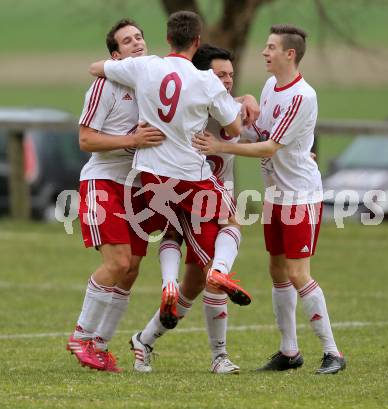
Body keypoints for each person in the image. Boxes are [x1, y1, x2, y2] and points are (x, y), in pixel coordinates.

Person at [193, 24, 346, 374]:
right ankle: (289, 351)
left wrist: (221, 146)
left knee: (297, 273)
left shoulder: (302, 96)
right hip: (276, 197)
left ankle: (332, 352)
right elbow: (260, 132)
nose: (265, 52)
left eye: (271, 47)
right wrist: (242, 105)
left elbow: (269, 146)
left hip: (300, 197)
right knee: (277, 271)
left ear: (289, 54)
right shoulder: (269, 87)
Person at [89, 12, 257, 317]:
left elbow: (96, 67)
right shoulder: (205, 79)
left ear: (167, 38)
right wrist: (240, 102)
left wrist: (115, 68)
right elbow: (233, 130)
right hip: (189, 175)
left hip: (151, 177)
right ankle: (219, 270)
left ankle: (169, 282)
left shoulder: (146, 66)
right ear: (197, 41)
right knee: (231, 220)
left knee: (172, 229)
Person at [66, 18, 182, 372]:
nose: (137, 43)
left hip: (137, 188)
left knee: (130, 269)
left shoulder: (152, 83)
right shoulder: (105, 85)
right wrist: (132, 140)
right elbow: (86, 139)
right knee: (116, 263)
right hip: (103, 182)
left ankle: (100, 346)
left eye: (139, 38)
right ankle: (81, 336)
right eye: (127, 41)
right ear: (116, 56)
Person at [130, 44, 244, 375]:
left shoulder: (229, 108)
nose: (226, 82)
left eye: (231, 76)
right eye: (220, 75)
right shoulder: (189, 111)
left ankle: (144, 340)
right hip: (192, 193)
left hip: (205, 196)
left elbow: (256, 125)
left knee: (193, 284)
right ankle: (219, 356)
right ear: (201, 75)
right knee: (212, 271)